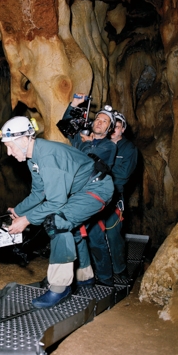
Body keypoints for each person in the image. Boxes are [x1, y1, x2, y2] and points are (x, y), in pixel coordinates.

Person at [0, 116, 114, 308]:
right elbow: (38, 193)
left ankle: (60, 287)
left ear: (25, 140)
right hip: (83, 190)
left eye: (10, 146)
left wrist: (26, 220)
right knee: (71, 228)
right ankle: (84, 277)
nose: (9, 152)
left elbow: (56, 202)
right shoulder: (33, 157)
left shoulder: (48, 157)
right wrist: (17, 211)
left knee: (57, 222)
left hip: (96, 189)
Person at [61, 94, 118, 288]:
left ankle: (106, 279)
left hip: (93, 195)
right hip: (77, 194)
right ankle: (83, 275)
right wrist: (74, 105)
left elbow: (91, 162)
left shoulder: (109, 146)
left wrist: (85, 142)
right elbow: (66, 126)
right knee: (73, 232)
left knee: (95, 236)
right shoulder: (83, 138)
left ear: (109, 129)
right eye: (99, 119)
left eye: (105, 121)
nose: (100, 122)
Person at [104, 112, 138, 278]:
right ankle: (101, 270)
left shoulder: (129, 149)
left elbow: (124, 175)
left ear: (123, 129)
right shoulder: (101, 145)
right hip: (94, 195)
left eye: (116, 127)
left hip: (114, 197)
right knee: (94, 234)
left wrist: (102, 171)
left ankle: (119, 269)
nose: (113, 130)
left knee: (113, 234)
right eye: (111, 127)